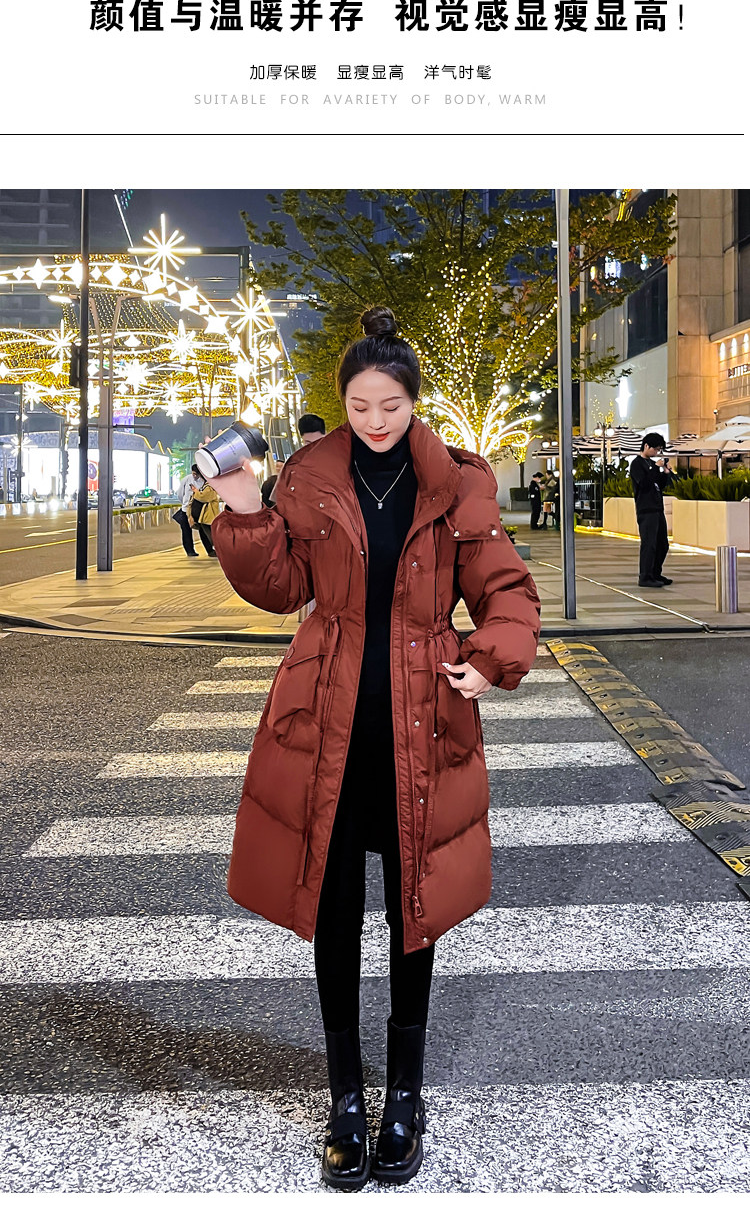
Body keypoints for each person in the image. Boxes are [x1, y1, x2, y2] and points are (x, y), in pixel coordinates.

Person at [210, 305, 541, 1190]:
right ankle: (346, 1099)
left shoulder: (458, 484)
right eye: (359, 405)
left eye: (390, 404)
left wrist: (492, 658)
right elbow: (283, 587)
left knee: (412, 910)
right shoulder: (310, 476)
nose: (375, 420)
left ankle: (404, 1096)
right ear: (343, 401)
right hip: (327, 717)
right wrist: (244, 513)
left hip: (421, 719)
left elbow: (505, 588)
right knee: (332, 908)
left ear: (413, 400)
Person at [629, 432, 673, 587]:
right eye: (655, 449)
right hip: (646, 509)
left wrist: (665, 474)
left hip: (657, 508)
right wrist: (655, 468)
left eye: (659, 449)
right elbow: (644, 483)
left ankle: (655, 573)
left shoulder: (651, 464)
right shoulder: (637, 464)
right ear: (646, 446)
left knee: (662, 544)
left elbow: (658, 484)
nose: (656, 452)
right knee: (649, 544)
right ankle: (645, 576)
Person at [172, 466, 203, 557]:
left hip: (198, 509)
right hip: (186, 509)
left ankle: (209, 549)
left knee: (202, 529)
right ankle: (189, 550)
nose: (195, 476)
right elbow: (180, 493)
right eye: (193, 474)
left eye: (197, 474)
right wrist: (185, 503)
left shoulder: (204, 480)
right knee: (186, 531)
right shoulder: (186, 479)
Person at [190, 475, 221, 557]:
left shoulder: (209, 487)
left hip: (208, 515)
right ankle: (212, 550)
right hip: (205, 515)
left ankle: (216, 550)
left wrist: (196, 491)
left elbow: (203, 497)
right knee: (206, 533)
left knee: (209, 534)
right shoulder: (208, 486)